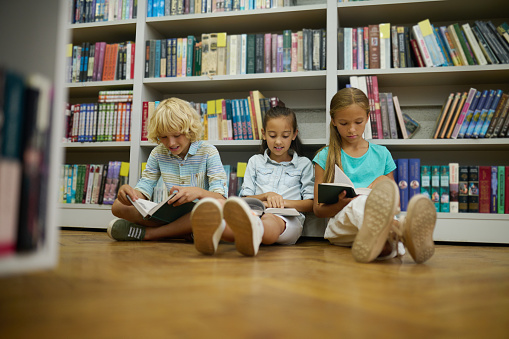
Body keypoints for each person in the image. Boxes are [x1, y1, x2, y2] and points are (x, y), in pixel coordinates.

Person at [312, 87, 437, 264]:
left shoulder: (382, 154)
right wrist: (342, 203)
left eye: (358, 122)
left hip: (369, 231)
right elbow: (318, 210)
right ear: (333, 121)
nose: (352, 129)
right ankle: (402, 230)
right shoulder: (324, 156)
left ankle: (391, 240)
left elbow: (396, 203)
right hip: (341, 227)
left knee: (386, 247)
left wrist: (383, 181)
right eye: (344, 123)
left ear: (368, 117)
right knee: (361, 202)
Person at [190, 106, 315, 256]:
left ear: (294, 135)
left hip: (288, 220)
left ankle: (236, 229)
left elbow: (310, 204)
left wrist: (280, 202)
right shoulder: (255, 162)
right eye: (273, 135)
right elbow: (245, 198)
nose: (278, 141)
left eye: (285, 136)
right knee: (228, 207)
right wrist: (266, 196)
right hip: (255, 213)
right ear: (264, 134)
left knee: (269, 218)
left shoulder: (304, 164)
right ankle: (216, 228)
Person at [107, 97, 228, 241]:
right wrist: (130, 194)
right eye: (163, 137)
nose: (171, 143)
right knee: (118, 206)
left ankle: (149, 234)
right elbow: (144, 189)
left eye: (177, 135)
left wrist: (198, 192)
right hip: (172, 215)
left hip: (200, 213)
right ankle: (185, 233)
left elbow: (221, 198)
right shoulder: (158, 153)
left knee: (215, 209)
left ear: (190, 130)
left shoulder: (209, 152)